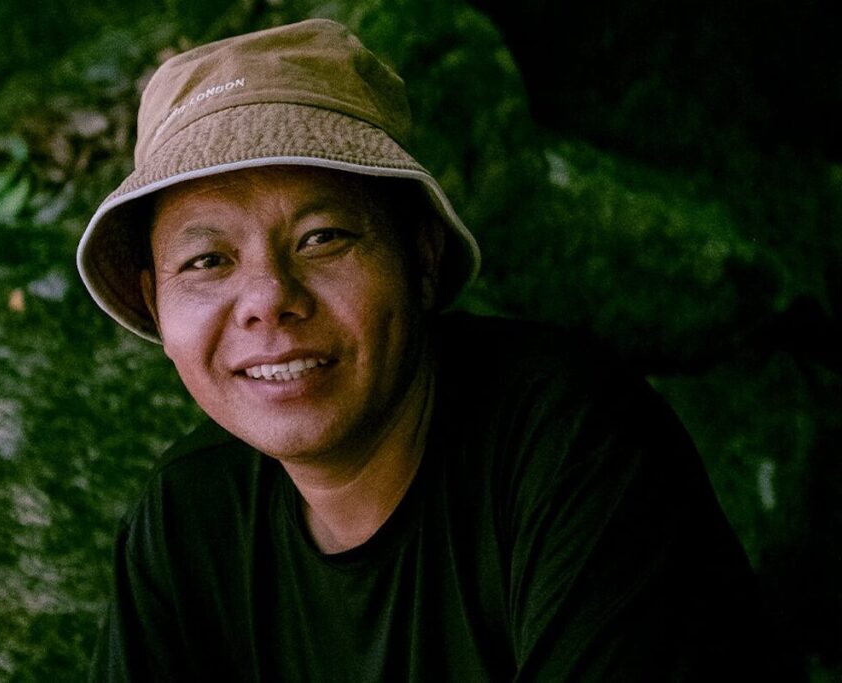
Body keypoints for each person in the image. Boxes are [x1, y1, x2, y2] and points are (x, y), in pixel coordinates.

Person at [77, 18, 786, 681]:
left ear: (420, 254)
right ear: (153, 299)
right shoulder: (187, 516)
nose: (269, 297)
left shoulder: (572, 447)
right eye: (207, 260)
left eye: (323, 237)